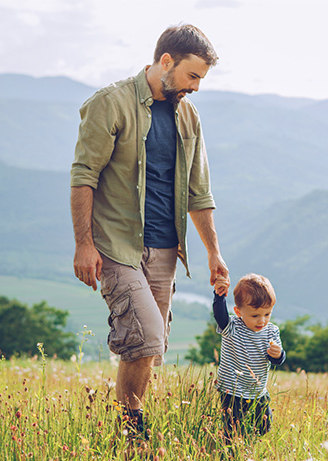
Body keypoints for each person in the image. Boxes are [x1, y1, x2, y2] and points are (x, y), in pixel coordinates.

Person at [69, 24, 228, 442]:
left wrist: (213, 252)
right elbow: (84, 175)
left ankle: (124, 431)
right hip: (117, 246)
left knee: (147, 350)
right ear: (166, 62)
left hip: (165, 250)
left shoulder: (188, 115)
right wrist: (83, 244)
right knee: (147, 336)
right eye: (192, 76)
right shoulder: (112, 104)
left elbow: (199, 191)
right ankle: (135, 432)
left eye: (201, 80)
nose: (196, 87)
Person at [212, 273, 286, 440]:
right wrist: (219, 295)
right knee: (233, 429)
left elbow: (277, 359)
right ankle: (231, 451)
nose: (262, 321)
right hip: (232, 391)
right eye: (255, 315)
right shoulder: (232, 327)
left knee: (264, 426)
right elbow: (219, 315)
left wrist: (278, 355)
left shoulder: (271, 331)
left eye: (267, 314)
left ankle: (248, 444)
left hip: (257, 391)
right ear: (238, 312)